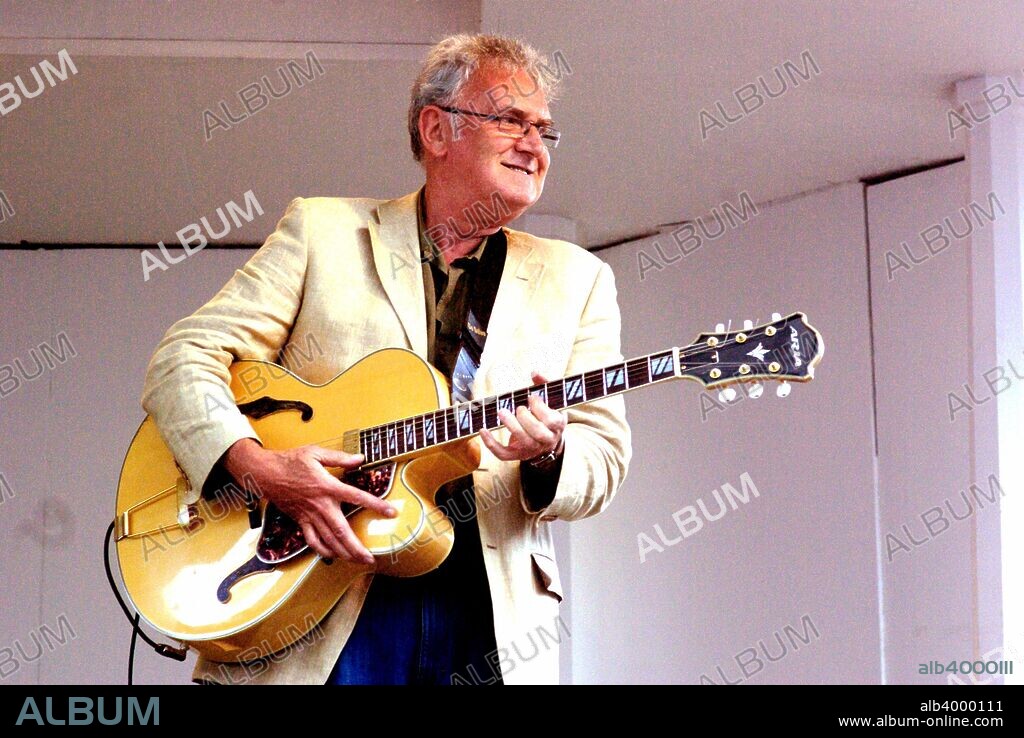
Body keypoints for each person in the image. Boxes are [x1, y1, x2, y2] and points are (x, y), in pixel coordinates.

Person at [141, 33, 631, 685]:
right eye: (511, 120)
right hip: (314, 595)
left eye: (544, 130)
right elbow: (184, 358)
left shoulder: (580, 279)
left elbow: (604, 455)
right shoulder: (321, 233)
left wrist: (548, 454)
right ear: (437, 129)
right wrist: (255, 465)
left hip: (485, 618)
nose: (534, 146)